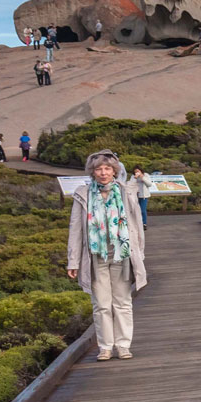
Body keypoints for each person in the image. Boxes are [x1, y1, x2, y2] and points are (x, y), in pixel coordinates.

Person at [66, 150, 146, 361]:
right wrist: (73, 261)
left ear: (114, 170)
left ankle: (123, 345)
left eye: (107, 168)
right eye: (98, 169)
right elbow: (75, 229)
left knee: (122, 302)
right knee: (101, 304)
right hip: (95, 256)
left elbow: (137, 225)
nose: (103, 173)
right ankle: (105, 347)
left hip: (122, 254)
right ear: (92, 172)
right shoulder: (83, 194)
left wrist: (140, 254)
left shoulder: (126, 192)